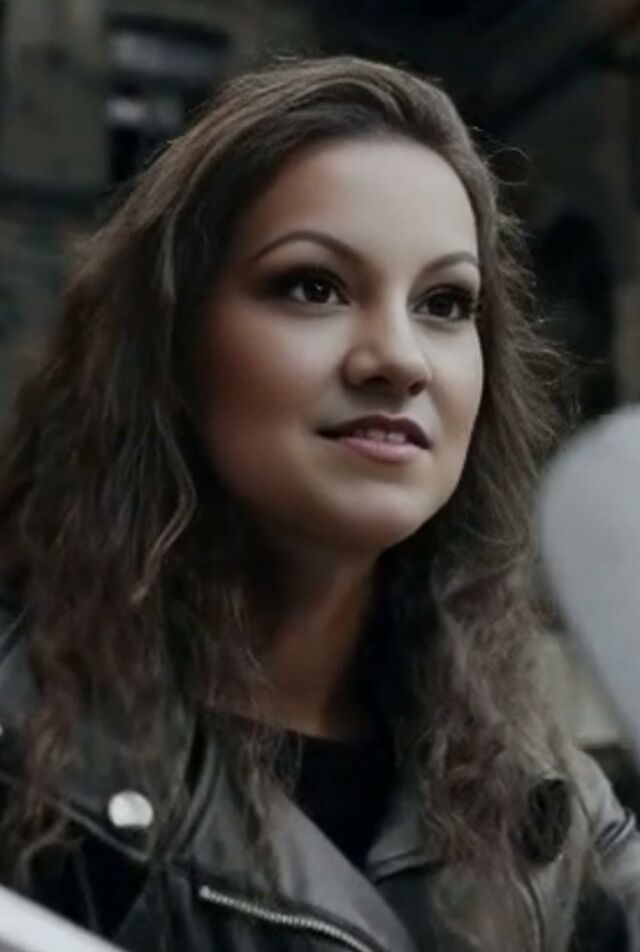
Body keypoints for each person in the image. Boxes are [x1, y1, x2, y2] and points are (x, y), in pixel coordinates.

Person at [0, 55, 638, 952]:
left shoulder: (549, 804)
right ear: (171, 347)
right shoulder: (20, 743)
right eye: (313, 287)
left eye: (445, 303)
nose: (399, 359)